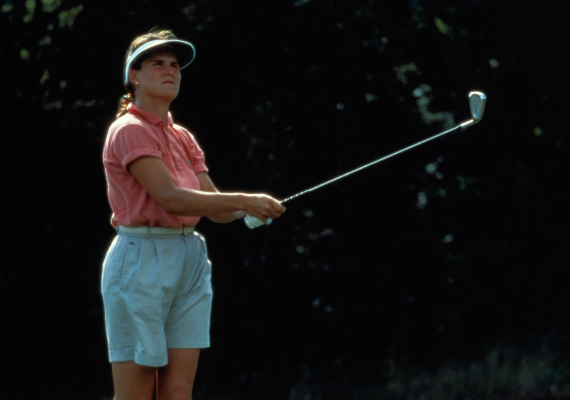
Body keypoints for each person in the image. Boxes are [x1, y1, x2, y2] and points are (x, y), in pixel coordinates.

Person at [101, 29, 285, 400]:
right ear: (134, 76)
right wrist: (245, 200)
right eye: (157, 64)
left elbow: (213, 207)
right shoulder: (129, 130)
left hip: (189, 258)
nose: (170, 70)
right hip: (141, 261)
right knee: (136, 394)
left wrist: (248, 209)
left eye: (174, 65)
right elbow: (171, 199)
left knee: (177, 393)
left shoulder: (182, 136)